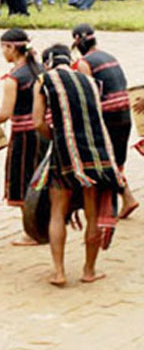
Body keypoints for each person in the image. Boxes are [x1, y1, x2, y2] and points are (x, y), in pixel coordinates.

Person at [32, 44, 122, 286]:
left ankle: (59, 272)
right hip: (95, 153)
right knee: (92, 214)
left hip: (65, 153)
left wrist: (54, 136)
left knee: (57, 212)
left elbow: (37, 121)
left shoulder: (44, 80)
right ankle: (89, 270)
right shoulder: (88, 80)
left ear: (47, 63)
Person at [72, 24, 139, 218]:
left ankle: (126, 198)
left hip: (108, 116)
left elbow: (89, 95)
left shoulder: (84, 63)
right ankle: (118, 200)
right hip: (124, 113)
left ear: (77, 41)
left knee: (105, 160)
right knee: (116, 160)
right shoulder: (109, 56)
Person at [0, 29, 47, 245]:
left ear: (11, 47)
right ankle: (46, 224)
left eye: (4, 48)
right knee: (41, 177)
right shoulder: (42, 69)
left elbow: (5, 114)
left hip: (24, 135)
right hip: (44, 132)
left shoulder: (14, 78)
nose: (3, 52)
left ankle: (32, 231)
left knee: (24, 181)